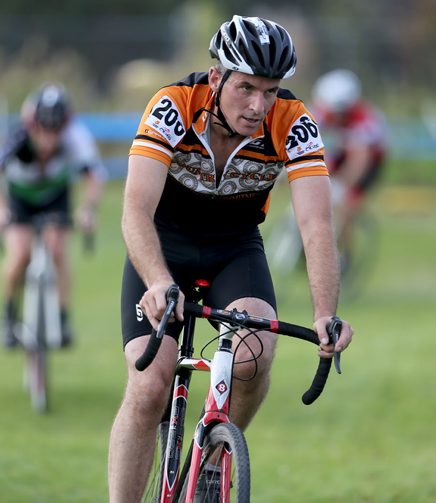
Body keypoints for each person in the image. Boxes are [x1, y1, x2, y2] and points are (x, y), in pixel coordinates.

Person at [108, 15, 354, 502]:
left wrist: (326, 312)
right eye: (246, 87)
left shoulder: (294, 122)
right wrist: (157, 281)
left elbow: (316, 225)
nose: (258, 105)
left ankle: (216, 458)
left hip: (234, 247)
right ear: (217, 76)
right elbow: (135, 208)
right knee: (148, 388)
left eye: (270, 90)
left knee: (256, 351)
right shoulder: (172, 107)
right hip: (164, 245)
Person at [0, 83, 106, 349]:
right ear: (32, 124)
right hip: (20, 198)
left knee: (57, 250)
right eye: (43, 130)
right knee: (19, 254)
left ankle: (62, 317)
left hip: (55, 196)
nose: (49, 138)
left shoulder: (76, 136)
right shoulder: (17, 136)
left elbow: (94, 175)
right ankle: (9, 314)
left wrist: (88, 209)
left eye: (55, 131)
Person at [311, 69, 388, 272]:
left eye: (341, 112)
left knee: (346, 204)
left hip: (369, 161)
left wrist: (342, 187)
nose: (335, 116)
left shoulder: (364, 120)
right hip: (342, 152)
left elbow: (358, 162)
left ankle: (345, 255)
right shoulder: (323, 110)